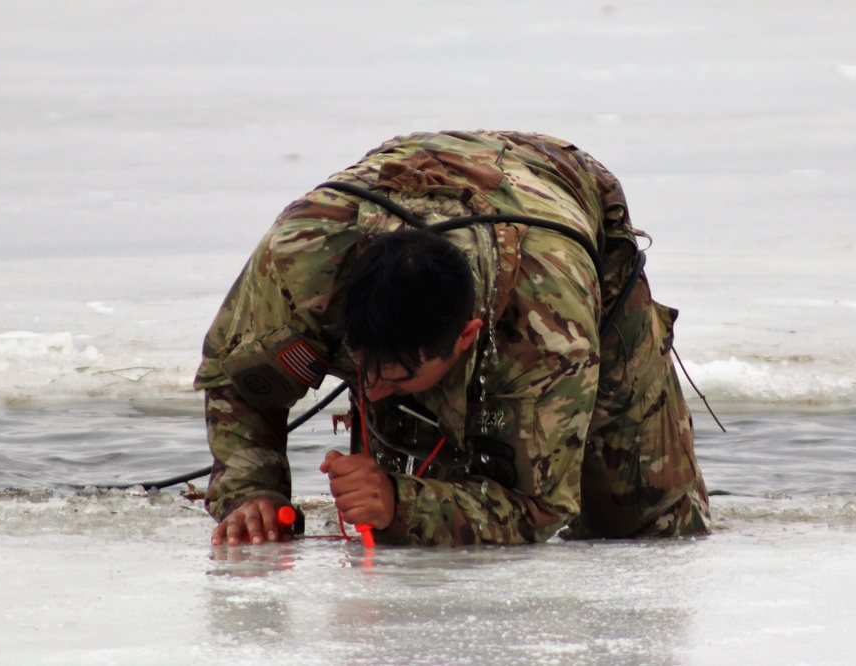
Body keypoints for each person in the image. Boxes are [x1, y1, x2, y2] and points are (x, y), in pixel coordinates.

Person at [195, 130, 711, 547]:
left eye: (395, 375)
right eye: (359, 365)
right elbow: (235, 378)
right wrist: (252, 494)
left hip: (564, 210)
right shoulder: (299, 260)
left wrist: (402, 504)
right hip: (410, 186)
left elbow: (541, 507)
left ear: (466, 337)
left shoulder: (551, 326)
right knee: (405, 473)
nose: (369, 392)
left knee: (646, 522)